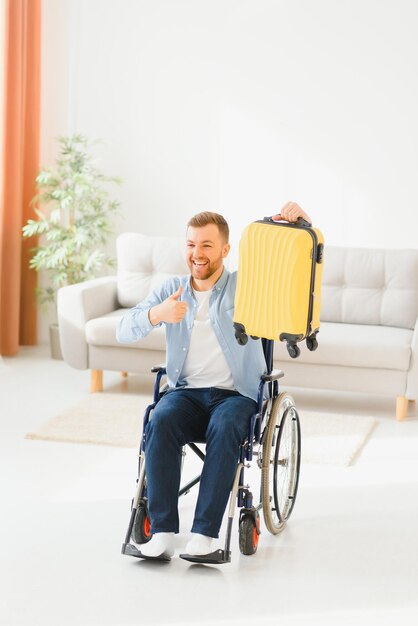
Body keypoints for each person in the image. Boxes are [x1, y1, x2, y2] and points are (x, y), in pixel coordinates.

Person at [117, 201, 311, 560]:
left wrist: (300, 223)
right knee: (160, 419)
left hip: (235, 395)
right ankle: (160, 534)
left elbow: (291, 273)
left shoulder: (247, 286)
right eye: (191, 244)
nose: (197, 254)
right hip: (187, 393)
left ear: (224, 249)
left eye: (206, 245)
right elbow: (123, 329)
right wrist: (158, 314)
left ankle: (204, 537)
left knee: (225, 427)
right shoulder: (171, 289)